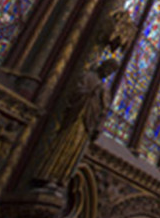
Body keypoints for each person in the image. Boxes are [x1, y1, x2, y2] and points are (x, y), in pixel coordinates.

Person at [36, 57, 120, 187]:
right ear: (103, 65)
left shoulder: (103, 87)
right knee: (63, 143)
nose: (108, 73)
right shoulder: (88, 77)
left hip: (87, 122)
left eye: (111, 72)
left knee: (74, 149)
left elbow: (103, 109)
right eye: (108, 69)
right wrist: (92, 93)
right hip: (75, 117)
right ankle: (48, 175)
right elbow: (75, 92)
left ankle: (60, 178)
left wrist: (99, 123)